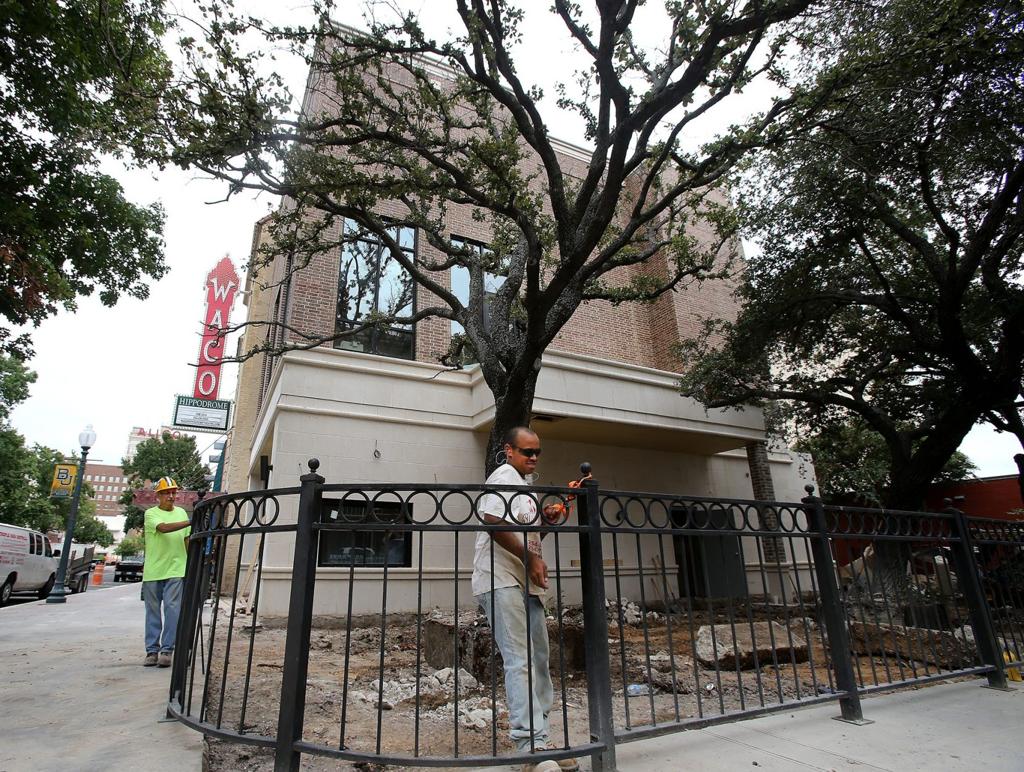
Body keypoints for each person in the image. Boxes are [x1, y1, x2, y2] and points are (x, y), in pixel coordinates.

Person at [472, 427, 578, 772]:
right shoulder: (503, 477)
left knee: (539, 659)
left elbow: (529, 537)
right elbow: (492, 522)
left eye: (537, 452)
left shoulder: (526, 487)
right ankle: (529, 746)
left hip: (525, 583)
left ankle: (541, 740)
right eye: (526, 451)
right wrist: (530, 559)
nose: (533, 457)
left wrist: (547, 520)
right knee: (520, 660)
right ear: (509, 450)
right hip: (500, 579)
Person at [142, 476, 191, 667]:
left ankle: (167, 650)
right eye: (166, 493)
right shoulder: (151, 514)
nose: (171, 496)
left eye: (173, 492)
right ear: (158, 496)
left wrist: (191, 561)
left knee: (173, 610)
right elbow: (163, 528)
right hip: (154, 571)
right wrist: (190, 522)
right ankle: (151, 651)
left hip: (176, 568)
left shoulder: (181, 513)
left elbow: (186, 540)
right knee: (153, 612)